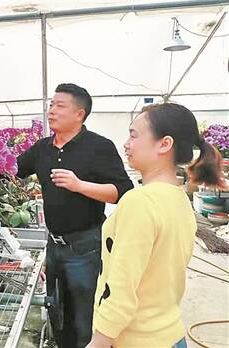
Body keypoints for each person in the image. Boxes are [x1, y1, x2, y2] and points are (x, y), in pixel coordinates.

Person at [87, 103, 227, 348]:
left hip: (136, 340)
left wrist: (98, 343)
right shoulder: (179, 199)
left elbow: (121, 290)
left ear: (164, 144)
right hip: (171, 334)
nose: (126, 144)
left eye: (133, 135)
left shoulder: (139, 202)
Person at [17, 83, 133, 348]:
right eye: (51, 105)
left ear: (79, 114)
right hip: (54, 246)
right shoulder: (43, 148)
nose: (51, 110)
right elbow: (12, 169)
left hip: (86, 246)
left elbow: (123, 191)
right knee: (57, 310)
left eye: (60, 105)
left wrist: (79, 185)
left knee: (85, 317)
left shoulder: (99, 147)